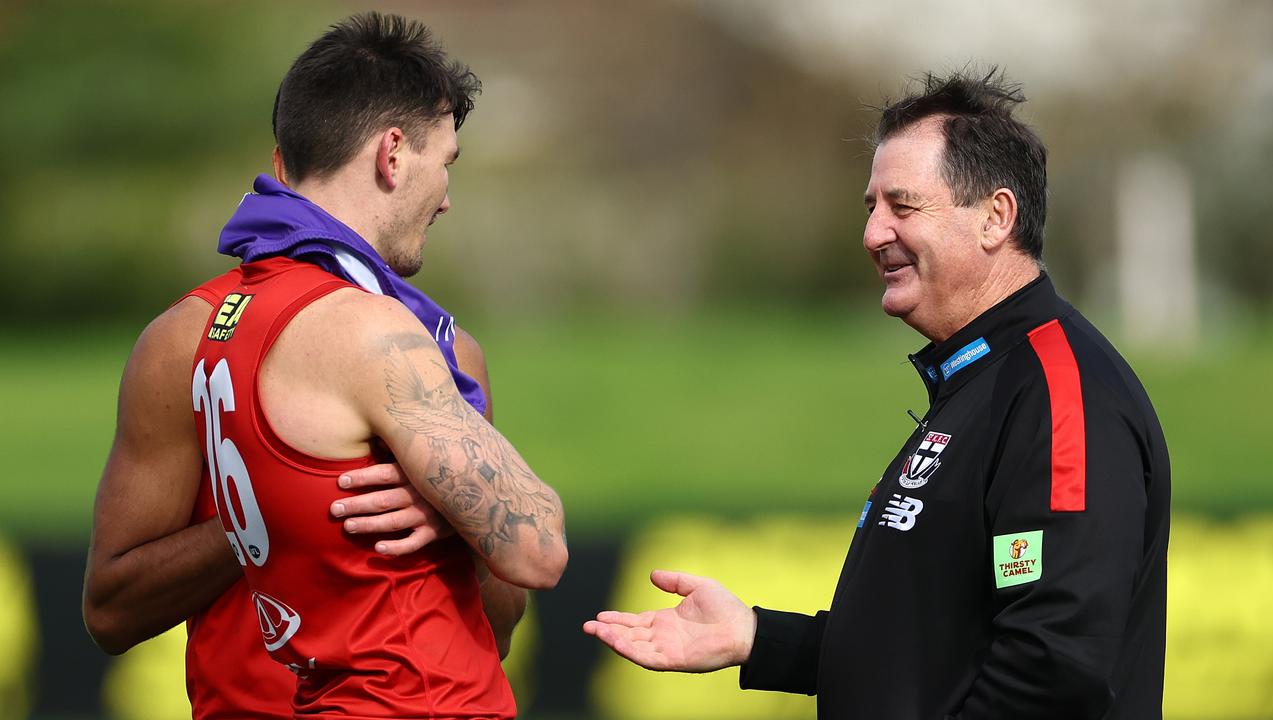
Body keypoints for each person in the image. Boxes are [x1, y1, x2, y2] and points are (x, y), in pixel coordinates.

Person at [584, 69, 1169, 719]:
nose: (873, 235)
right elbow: (928, 650)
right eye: (871, 208)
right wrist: (758, 639)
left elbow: (1056, 670)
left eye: (903, 206)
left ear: (995, 217)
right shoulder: (975, 381)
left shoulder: (1061, 392)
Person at [83, 12, 559, 719]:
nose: (448, 197)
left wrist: (449, 507)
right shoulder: (184, 342)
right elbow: (110, 611)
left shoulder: (448, 351)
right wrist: (280, 506)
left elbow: (497, 622)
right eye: (447, 164)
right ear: (391, 156)